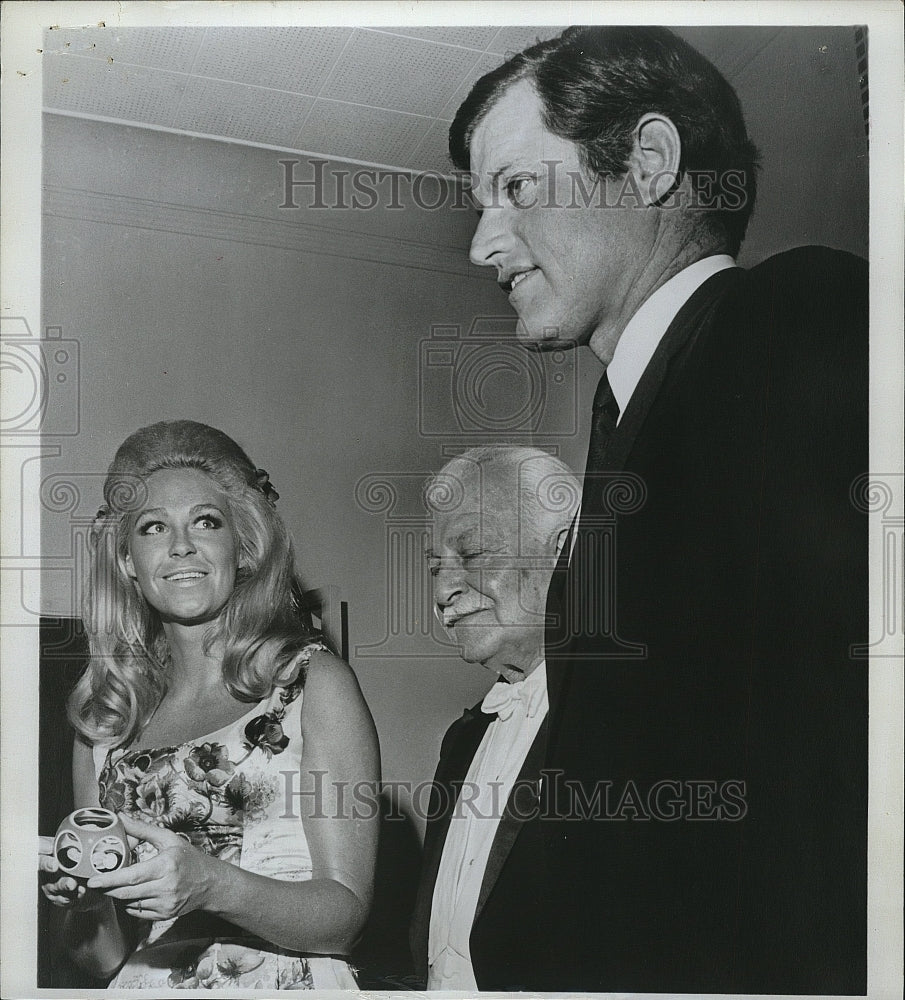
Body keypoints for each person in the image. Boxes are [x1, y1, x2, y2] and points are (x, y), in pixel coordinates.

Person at [448, 26, 868, 994]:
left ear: (646, 163)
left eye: (513, 187)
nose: (481, 243)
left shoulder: (798, 320)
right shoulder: (639, 412)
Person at [38, 421, 379, 990]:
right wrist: (82, 902)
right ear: (127, 562)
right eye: (152, 528)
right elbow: (101, 960)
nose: (180, 545)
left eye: (205, 521)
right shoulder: (105, 721)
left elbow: (345, 919)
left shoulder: (312, 682)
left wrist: (214, 884)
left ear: (242, 549)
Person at [409, 446, 579, 990]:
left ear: (564, 550)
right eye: (436, 566)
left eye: (475, 553)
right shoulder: (462, 740)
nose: (442, 591)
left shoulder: (628, 730)